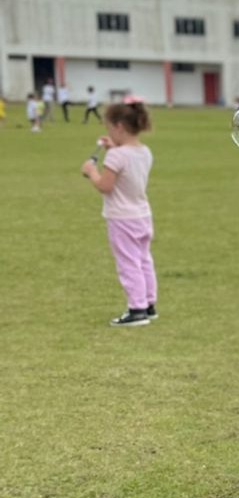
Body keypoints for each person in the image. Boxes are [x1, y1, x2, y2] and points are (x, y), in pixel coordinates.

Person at [81, 99, 157, 327]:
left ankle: (136, 309)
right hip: (142, 215)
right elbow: (128, 168)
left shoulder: (116, 156)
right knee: (144, 260)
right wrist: (113, 149)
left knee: (128, 263)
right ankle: (149, 304)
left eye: (109, 128)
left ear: (119, 127)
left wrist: (91, 172)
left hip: (121, 218)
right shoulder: (144, 151)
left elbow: (105, 185)